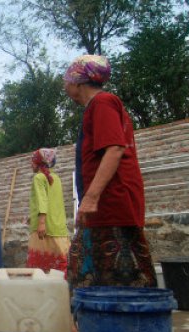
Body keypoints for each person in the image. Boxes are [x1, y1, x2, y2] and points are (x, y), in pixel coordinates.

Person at [63, 54, 156, 288]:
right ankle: (91, 321)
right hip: (103, 205)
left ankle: (121, 322)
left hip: (112, 202)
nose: (65, 86)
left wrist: (92, 197)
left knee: (120, 276)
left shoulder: (103, 102)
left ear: (77, 82)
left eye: (66, 80)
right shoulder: (97, 106)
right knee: (86, 271)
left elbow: (114, 149)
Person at [26, 148, 70, 273]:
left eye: (33, 161)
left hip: (44, 230)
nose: (31, 164)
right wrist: (32, 216)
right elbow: (54, 202)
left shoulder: (38, 178)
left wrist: (41, 223)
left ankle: (41, 290)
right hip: (59, 227)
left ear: (39, 163)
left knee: (39, 270)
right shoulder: (55, 177)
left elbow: (42, 200)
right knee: (61, 265)